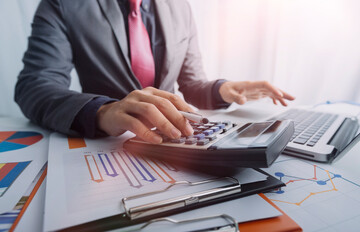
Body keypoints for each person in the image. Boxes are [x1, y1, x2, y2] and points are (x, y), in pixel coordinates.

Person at [15, 0, 294, 144]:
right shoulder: (62, 4)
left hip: (177, 138)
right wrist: (102, 112)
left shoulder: (180, 7)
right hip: (109, 146)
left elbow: (192, 83)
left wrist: (222, 89)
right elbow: (35, 85)